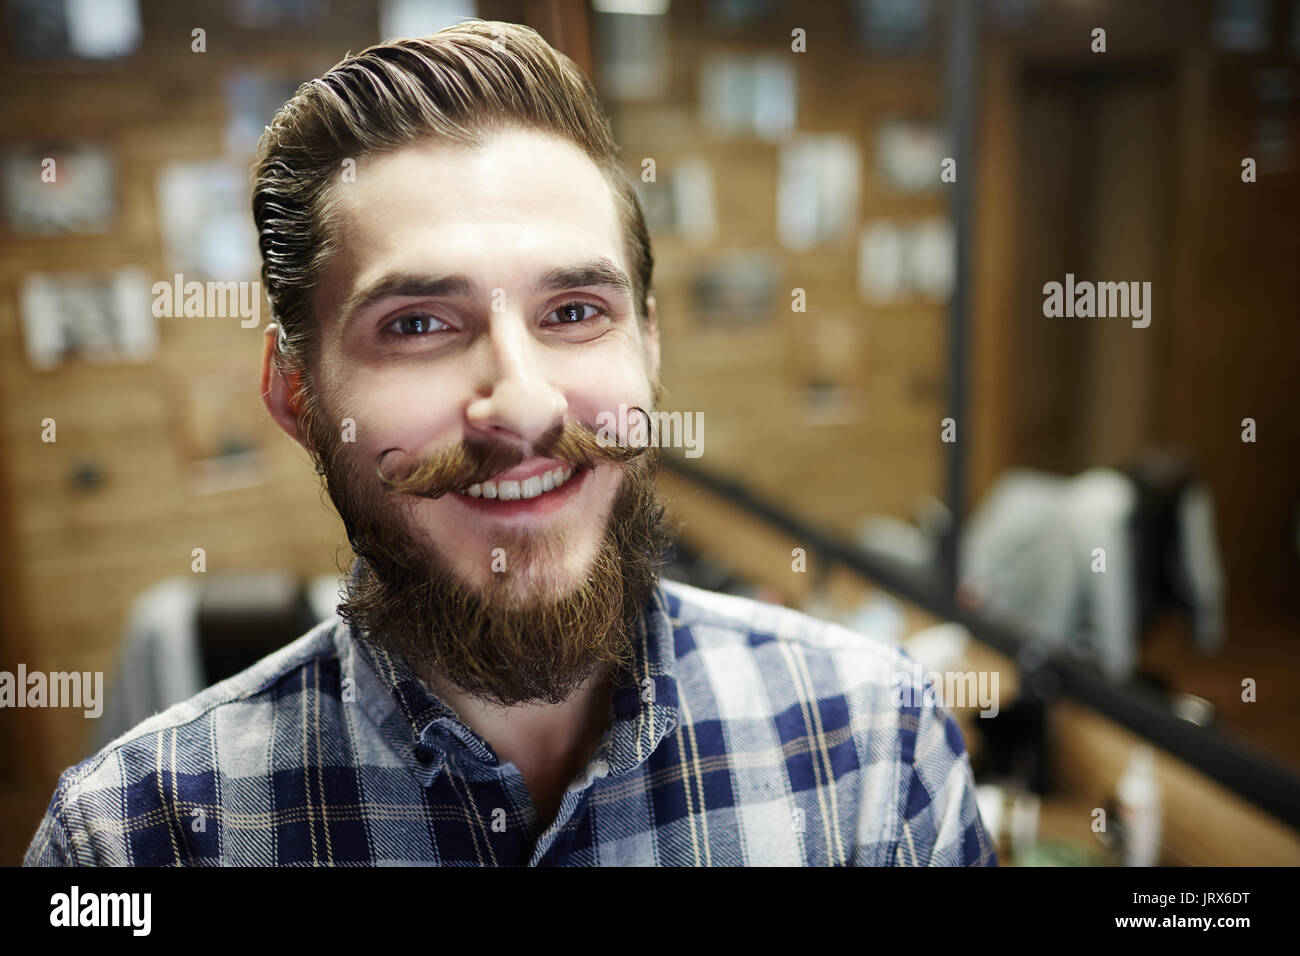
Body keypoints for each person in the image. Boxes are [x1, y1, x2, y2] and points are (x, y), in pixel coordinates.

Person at [24, 20, 995, 866]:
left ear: (648, 345)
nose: (523, 404)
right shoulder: (138, 837)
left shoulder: (873, 748)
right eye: (416, 324)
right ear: (292, 390)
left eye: (574, 310)